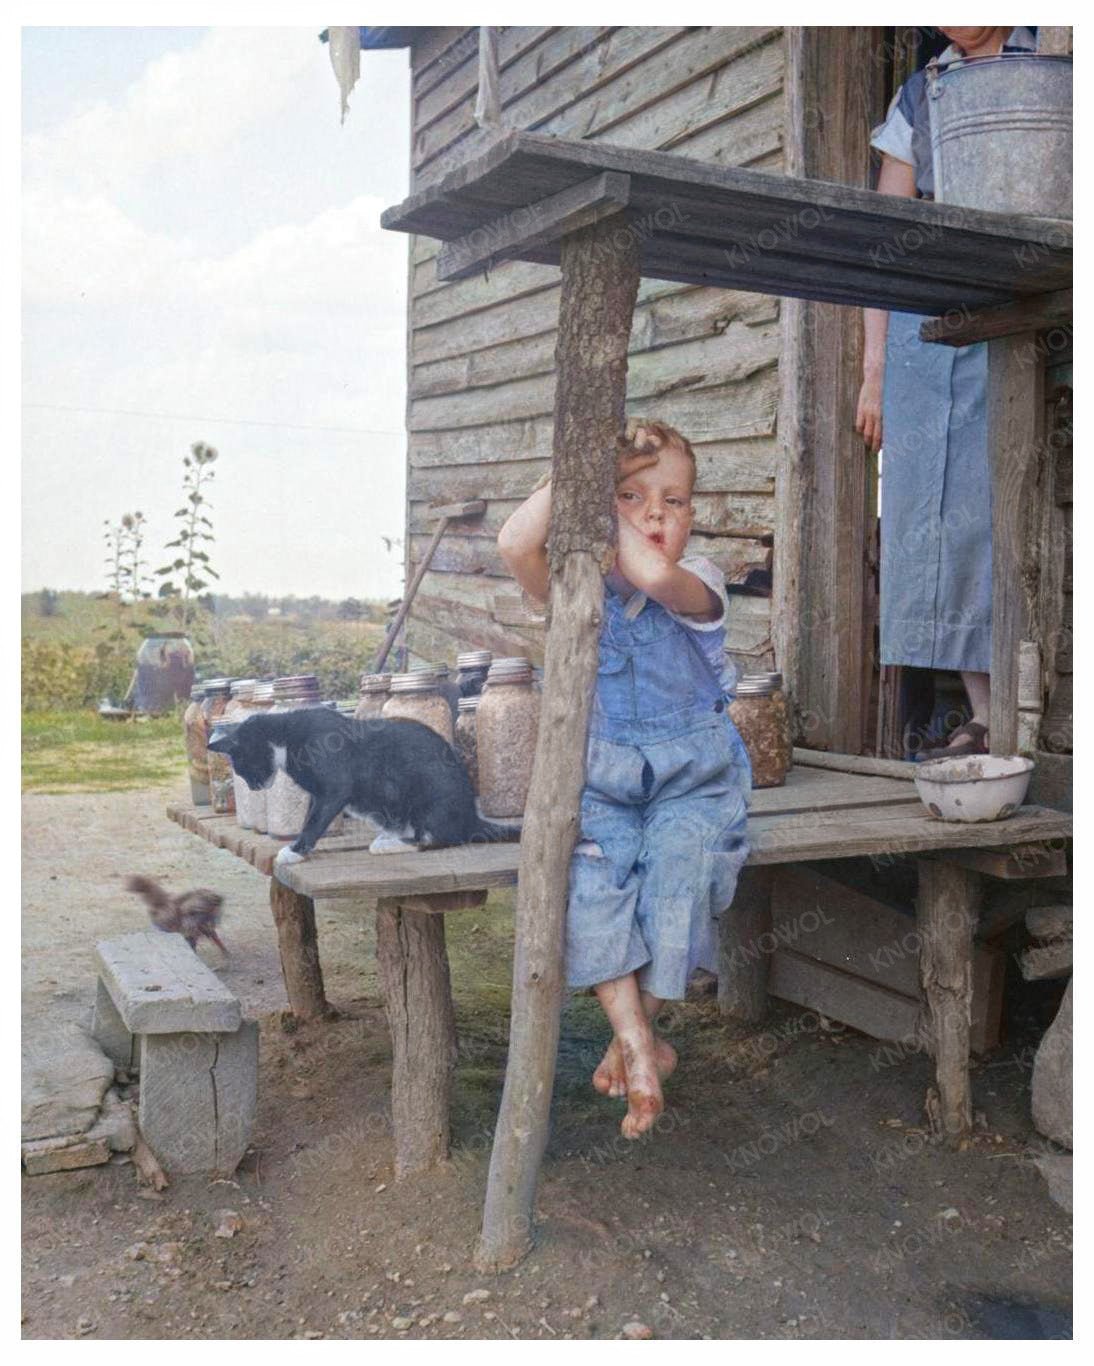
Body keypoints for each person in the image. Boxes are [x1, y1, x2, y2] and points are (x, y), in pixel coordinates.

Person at [497, 419, 751, 1139]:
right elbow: (516, 544)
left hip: (692, 782)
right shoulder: (575, 589)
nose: (654, 516)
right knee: (590, 887)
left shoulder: (698, 582)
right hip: (603, 783)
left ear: (692, 516)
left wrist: (609, 499)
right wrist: (578, 473)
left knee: (684, 873)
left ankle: (631, 1042)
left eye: (674, 501)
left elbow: (646, 572)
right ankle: (642, 1045)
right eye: (633, 497)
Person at [856, 26, 1038, 758]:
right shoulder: (919, 92)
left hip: (1023, 300)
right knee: (942, 515)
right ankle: (986, 713)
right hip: (928, 324)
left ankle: (1027, 713)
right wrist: (875, 371)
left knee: (1009, 507)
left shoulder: (1054, 52)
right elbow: (883, 238)